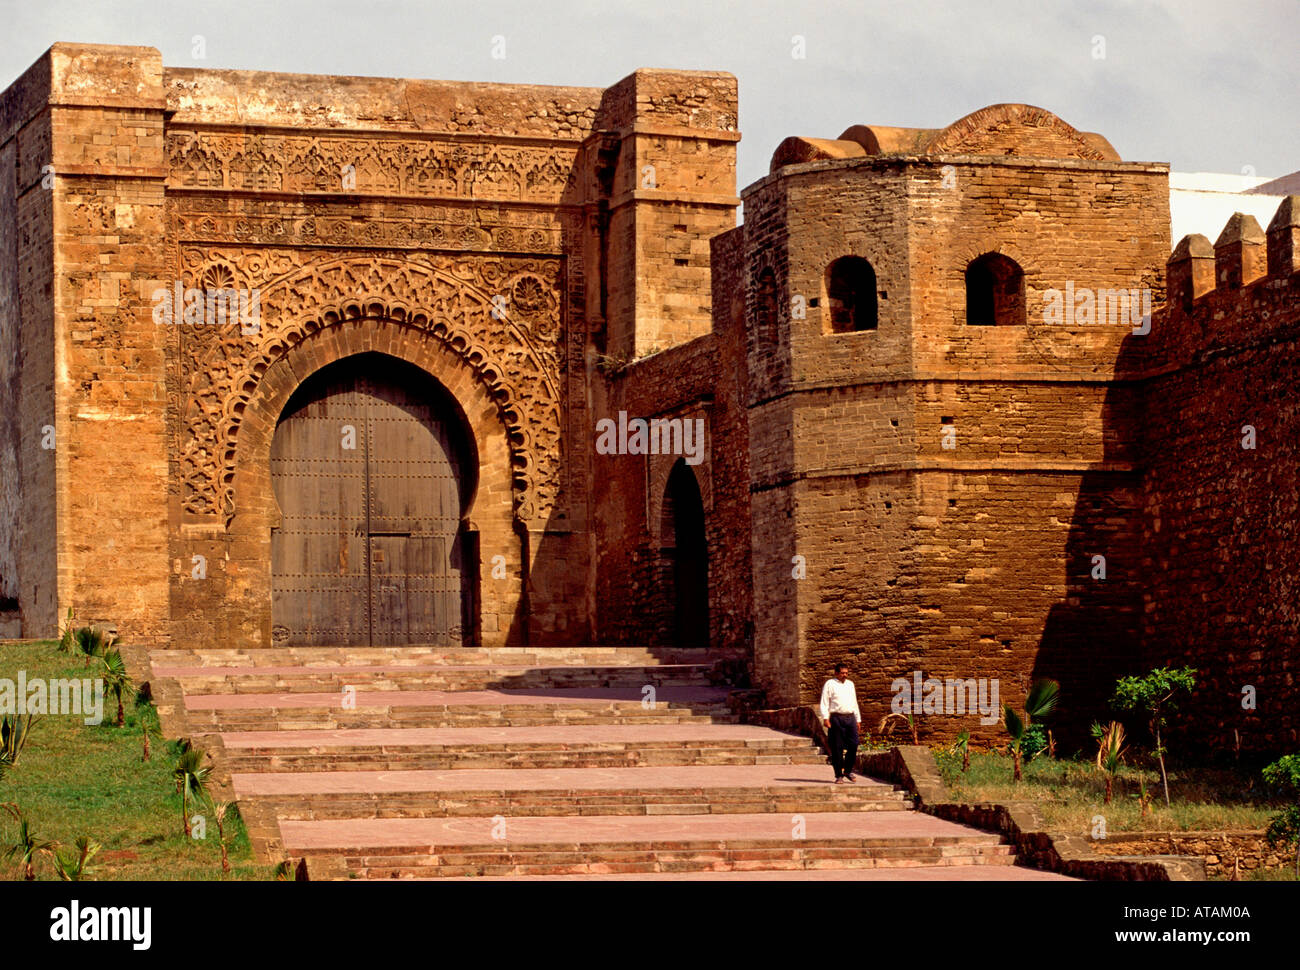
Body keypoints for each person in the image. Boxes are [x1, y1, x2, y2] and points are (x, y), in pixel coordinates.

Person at [819, 662, 860, 783]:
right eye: (842, 673)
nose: (845, 675)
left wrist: (858, 719)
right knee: (837, 747)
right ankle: (839, 775)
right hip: (836, 718)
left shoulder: (850, 684)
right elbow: (824, 701)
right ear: (836, 673)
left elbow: (854, 702)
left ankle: (847, 770)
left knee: (854, 744)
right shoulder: (830, 684)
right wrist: (825, 718)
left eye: (846, 673)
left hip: (850, 717)